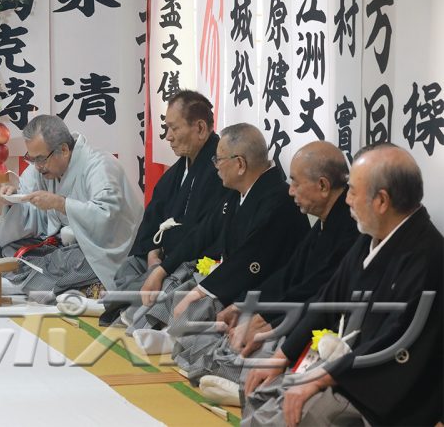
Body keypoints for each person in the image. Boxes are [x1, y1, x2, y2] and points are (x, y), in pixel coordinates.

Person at [242, 143, 443, 427]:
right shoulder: (370, 238)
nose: (347, 200)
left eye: (352, 191)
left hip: (384, 394)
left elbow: (393, 341)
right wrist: (280, 356)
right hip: (344, 372)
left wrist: (319, 379)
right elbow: (327, 300)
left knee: (298, 416)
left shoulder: (427, 256)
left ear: (381, 201)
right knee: (260, 392)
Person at [172, 141, 359, 388]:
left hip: (318, 321)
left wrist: (268, 319)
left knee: (260, 345)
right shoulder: (326, 220)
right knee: (217, 328)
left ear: (323, 185)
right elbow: (289, 273)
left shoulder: (350, 228)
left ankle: (246, 388)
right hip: (284, 306)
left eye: (295, 183)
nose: (290, 191)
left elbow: (320, 290)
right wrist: (248, 304)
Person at [128, 123, 310, 348]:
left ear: (240, 164)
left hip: (265, 289)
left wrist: (201, 291)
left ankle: (175, 339)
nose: (215, 167)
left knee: (203, 300)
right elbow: (202, 233)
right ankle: (158, 327)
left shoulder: (278, 201)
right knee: (175, 280)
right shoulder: (237, 194)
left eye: (219, 160)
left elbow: (249, 258)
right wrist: (163, 269)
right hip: (234, 278)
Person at [100, 90, 229, 325]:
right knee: (129, 266)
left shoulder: (220, 172)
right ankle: (124, 304)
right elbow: (153, 216)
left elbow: (202, 233)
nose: (168, 137)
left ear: (200, 129)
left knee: (166, 285)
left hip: (186, 261)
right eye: (166, 128)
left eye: (174, 128)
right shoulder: (179, 170)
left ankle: (125, 307)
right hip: (161, 257)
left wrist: (162, 266)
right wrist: (151, 252)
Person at [0, 115, 143, 300]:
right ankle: (53, 284)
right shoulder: (43, 166)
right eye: (31, 159)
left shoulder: (99, 166)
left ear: (63, 150)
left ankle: (30, 284)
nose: (37, 167)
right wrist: (13, 196)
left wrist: (60, 203)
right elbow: (28, 197)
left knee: (62, 262)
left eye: (40, 159)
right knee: (12, 249)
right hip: (63, 242)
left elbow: (107, 217)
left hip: (103, 249)